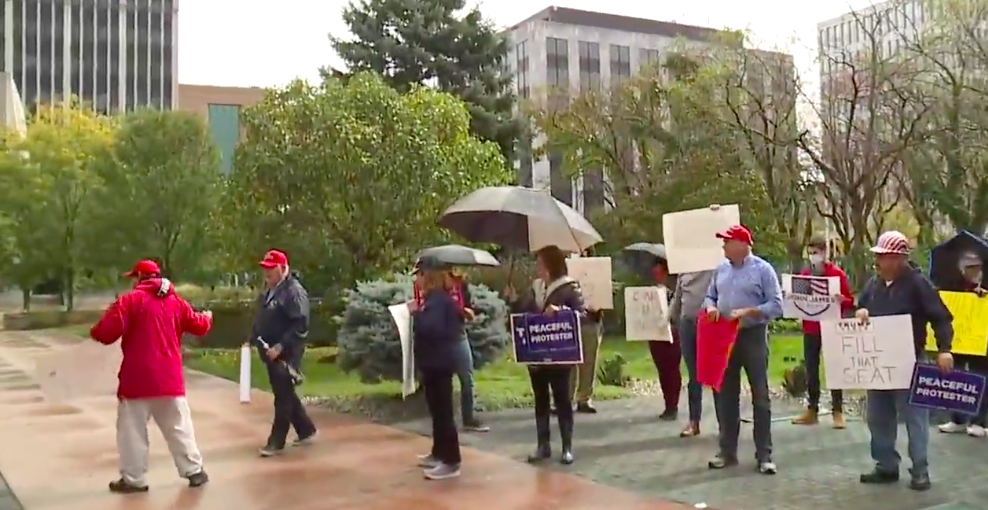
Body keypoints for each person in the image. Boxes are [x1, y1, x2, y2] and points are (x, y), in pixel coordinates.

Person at [90, 259, 212, 493]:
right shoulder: (176, 302)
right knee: (179, 427)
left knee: (132, 432)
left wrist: (104, 317)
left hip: (137, 380)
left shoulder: (129, 301)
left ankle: (134, 479)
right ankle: (194, 471)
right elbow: (200, 326)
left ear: (139, 278)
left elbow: (104, 333)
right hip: (170, 380)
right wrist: (207, 317)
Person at [856, 231, 953, 492]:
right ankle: (886, 465)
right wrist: (860, 311)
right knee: (878, 416)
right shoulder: (875, 283)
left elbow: (941, 317)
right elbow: (859, 305)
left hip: (910, 361)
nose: (879, 263)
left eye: (885, 257)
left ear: (900, 259)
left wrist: (945, 348)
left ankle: (920, 470)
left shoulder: (918, 283)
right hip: (878, 361)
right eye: (878, 257)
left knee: (915, 418)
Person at [703, 224, 783, 474]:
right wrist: (711, 308)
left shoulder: (763, 270)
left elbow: (777, 305)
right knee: (725, 394)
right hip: (725, 335)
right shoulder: (721, 269)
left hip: (753, 335)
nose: (723, 246)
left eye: (727, 241)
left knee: (760, 394)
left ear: (742, 244)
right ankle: (727, 451)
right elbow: (710, 296)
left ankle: (764, 455)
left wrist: (750, 311)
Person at [505, 245, 583, 465]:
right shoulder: (536, 288)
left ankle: (567, 446)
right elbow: (525, 313)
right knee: (540, 399)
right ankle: (543, 445)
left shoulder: (569, 287)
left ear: (550, 264)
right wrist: (513, 299)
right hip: (537, 354)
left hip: (559, 354)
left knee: (562, 400)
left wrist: (562, 312)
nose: (537, 267)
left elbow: (582, 315)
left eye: (540, 262)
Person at [253, 249, 318, 457]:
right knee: (285, 392)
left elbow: (300, 324)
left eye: (271, 269)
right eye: (265, 269)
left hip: (286, 352)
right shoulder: (271, 289)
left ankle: (276, 441)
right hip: (269, 350)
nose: (267, 273)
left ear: (282, 268)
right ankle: (306, 428)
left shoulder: (293, 291)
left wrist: (280, 347)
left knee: (282, 396)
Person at [411, 256, 465, 480]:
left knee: (443, 413)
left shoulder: (439, 301)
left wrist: (416, 313)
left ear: (429, 276)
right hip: (433, 362)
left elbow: (432, 329)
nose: (418, 280)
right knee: (436, 410)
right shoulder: (434, 299)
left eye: (420, 275)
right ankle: (438, 452)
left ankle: (451, 460)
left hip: (440, 362)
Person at [791, 236, 854, 429]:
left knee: (835, 369)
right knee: (812, 369)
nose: (813, 256)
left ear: (825, 252)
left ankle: (837, 411)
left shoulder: (837, 274)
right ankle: (812, 409)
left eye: (816, 252)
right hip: (810, 328)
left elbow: (850, 300)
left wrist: (841, 299)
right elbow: (800, 297)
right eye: (810, 253)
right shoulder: (805, 273)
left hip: (831, 327)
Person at [937, 251, 987, 437]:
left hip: (981, 341)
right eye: (969, 267)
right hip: (958, 339)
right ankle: (957, 419)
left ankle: (978, 421)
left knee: (981, 378)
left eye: (976, 267)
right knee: (955, 376)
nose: (973, 271)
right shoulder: (952, 284)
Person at [443, 268, 490, 432]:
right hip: (441, 338)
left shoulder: (462, 286)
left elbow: (470, 310)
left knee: (467, 379)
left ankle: (468, 418)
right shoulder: (437, 287)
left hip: (459, 335)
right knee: (443, 381)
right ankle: (445, 421)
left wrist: (467, 312)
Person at [670, 268, 716, 437]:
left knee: (717, 374)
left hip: (710, 323)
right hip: (687, 323)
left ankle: (724, 423)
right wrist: (670, 316)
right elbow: (678, 297)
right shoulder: (684, 269)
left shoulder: (714, 267)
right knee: (694, 375)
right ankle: (694, 421)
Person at [647, 255, 682, 420]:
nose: (656, 275)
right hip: (655, 335)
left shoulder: (675, 290)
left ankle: (673, 404)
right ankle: (667, 403)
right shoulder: (651, 292)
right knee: (662, 369)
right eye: (654, 272)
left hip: (673, 333)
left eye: (659, 272)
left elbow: (677, 310)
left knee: (672, 369)